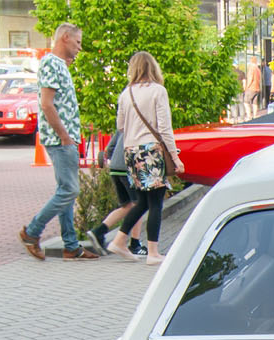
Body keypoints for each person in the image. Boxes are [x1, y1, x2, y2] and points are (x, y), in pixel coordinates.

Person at [18, 23, 96, 261]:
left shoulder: (58, 65)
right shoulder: (51, 63)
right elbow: (46, 103)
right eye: (78, 42)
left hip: (65, 138)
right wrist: (64, 135)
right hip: (60, 139)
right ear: (65, 38)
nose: (80, 47)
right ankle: (32, 232)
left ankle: (71, 245)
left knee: (66, 191)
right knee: (69, 190)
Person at [106, 51, 183, 266]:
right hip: (151, 150)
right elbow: (164, 127)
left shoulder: (126, 93)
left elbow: (120, 126)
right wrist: (175, 157)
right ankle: (153, 252)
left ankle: (120, 240)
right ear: (153, 67)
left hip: (131, 151)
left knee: (142, 201)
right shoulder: (158, 91)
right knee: (156, 201)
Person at [89, 132, 146, 257]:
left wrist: (115, 160)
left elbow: (110, 148)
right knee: (140, 204)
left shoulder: (123, 124)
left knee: (127, 206)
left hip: (115, 168)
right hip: (129, 168)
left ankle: (99, 231)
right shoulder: (140, 123)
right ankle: (135, 244)